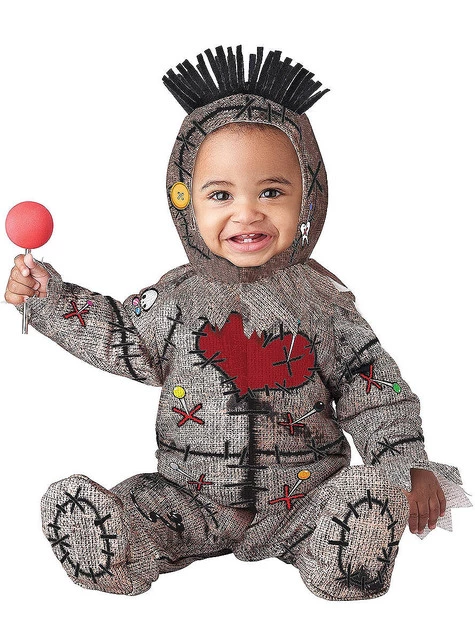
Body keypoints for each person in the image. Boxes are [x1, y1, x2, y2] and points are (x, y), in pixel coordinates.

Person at [4, 45, 471, 600]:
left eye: (271, 192)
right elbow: (120, 336)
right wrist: (47, 298)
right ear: (187, 203)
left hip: (305, 498)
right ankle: (112, 541)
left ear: (308, 197)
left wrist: (405, 464)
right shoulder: (176, 300)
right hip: (190, 497)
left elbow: (374, 389)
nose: (247, 212)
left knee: (354, 495)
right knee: (145, 504)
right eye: (221, 194)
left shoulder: (324, 305)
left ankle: (345, 549)